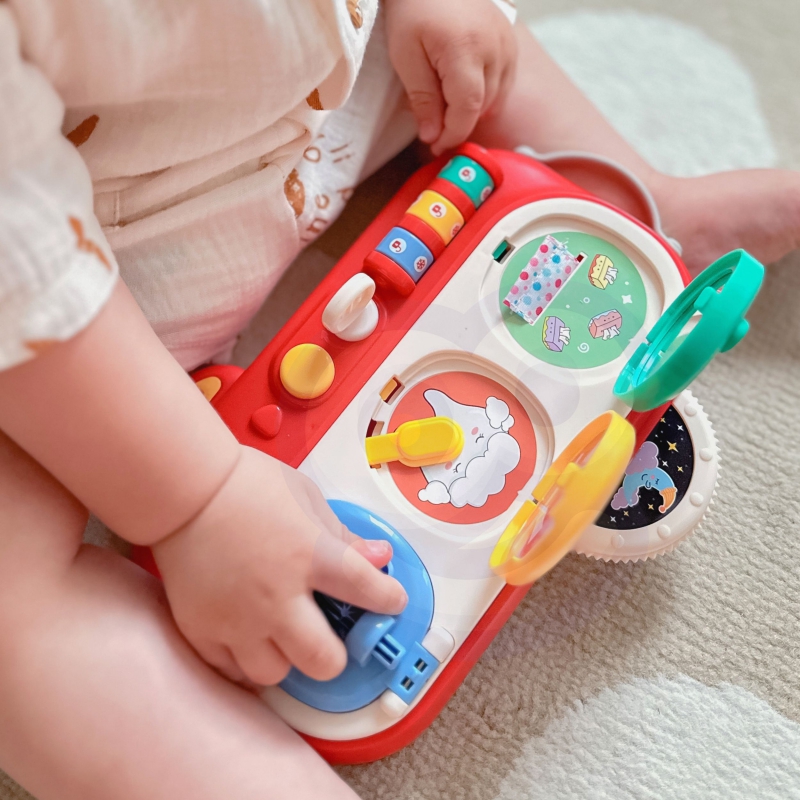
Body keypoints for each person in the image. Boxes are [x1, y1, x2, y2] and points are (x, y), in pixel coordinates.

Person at [0, 1, 797, 797]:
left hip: (331, 77)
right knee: (15, 621)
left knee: (465, 55)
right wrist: (195, 499)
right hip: (87, 297)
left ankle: (634, 202)